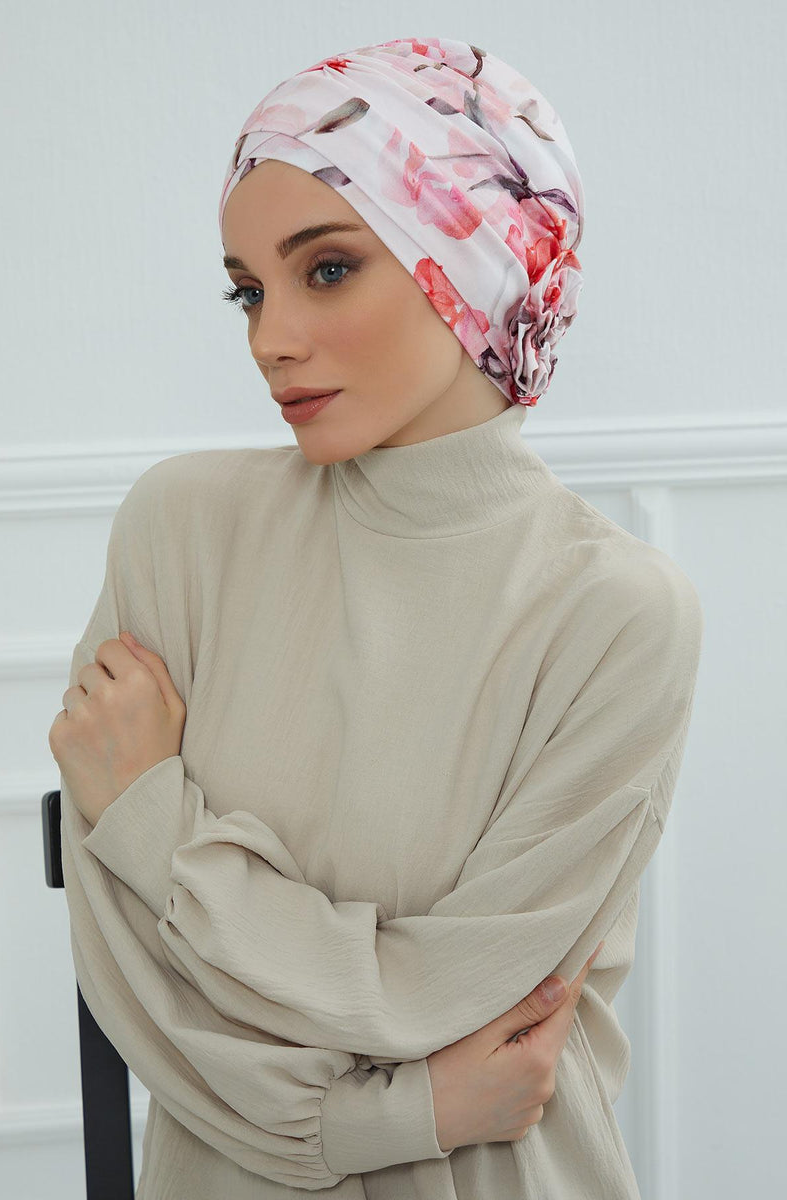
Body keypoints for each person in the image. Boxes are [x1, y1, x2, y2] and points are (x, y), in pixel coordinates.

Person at [53, 36, 703, 1200]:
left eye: (327, 269)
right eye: (247, 290)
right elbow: (138, 984)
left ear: (476, 260)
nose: (268, 338)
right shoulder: (181, 529)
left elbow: (443, 996)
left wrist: (154, 825)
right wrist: (400, 1112)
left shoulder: (615, 614)